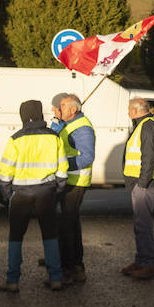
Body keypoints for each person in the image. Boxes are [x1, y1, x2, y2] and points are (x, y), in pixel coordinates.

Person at [0, 99, 68, 292]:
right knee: (50, 235)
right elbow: (63, 169)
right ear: (40, 114)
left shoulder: (15, 139)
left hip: (21, 194)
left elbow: (5, 173)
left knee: (16, 237)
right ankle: (56, 278)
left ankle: (12, 281)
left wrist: (7, 194)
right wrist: (57, 189)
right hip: (46, 192)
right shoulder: (54, 137)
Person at [122, 97, 154, 280]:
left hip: (145, 185)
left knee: (143, 225)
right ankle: (141, 261)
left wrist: (141, 184)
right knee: (140, 224)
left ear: (135, 110)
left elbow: (149, 158)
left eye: (128, 109)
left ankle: (147, 264)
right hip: (142, 184)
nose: (127, 112)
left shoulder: (147, 126)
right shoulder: (144, 125)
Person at [55, 94, 96, 284]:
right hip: (68, 180)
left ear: (73, 109)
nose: (59, 107)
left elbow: (87, 157)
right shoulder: (69, 123)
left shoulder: (83, 128)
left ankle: (71, 267)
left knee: (67, 226)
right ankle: (72, 264)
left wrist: (61, 164)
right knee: (69, 224)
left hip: (75, 182)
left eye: (62, 105)